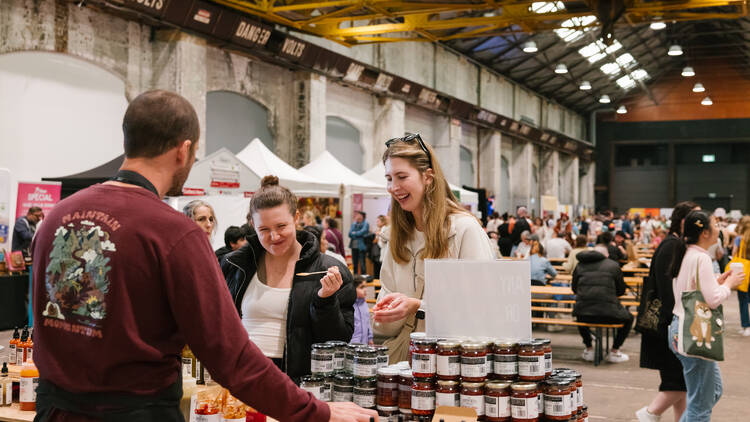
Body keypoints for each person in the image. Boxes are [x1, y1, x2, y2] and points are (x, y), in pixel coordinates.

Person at [30, 90, 375, 421]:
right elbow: (231, 357)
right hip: (134, 411)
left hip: (53, 408)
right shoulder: (174, 233)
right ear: (183, 151)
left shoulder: (55, 219)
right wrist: (316, 411)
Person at [370, 133, 494, 362]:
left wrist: (418, 306)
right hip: (403, 366)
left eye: (401, 177)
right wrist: (387, 314)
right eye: (389, 178)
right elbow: (384, 318)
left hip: (455, 364)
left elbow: (484, 305)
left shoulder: (464, 229)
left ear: (428, 177)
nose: (393, 187)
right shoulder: (394, 236)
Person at [223, 176, 356, 383]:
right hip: (241, 373)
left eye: (281, 226)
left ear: (296, 218)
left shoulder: (328, 269)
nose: (274, 237)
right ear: (252, 225)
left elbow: (338, 341)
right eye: (264, 230)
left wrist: (325, 301)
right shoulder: (235, 265)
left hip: (297, 382)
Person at [667, 210, 744, 421]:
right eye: (715, 224)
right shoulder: (701, 257)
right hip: (694, 333)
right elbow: (712, 300)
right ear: (705, 233)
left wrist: (718, 281)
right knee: (700, 406)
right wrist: (729, 284)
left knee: (711, 393)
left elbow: (692, 290)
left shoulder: (687, 253)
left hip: (681, 329)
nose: (719, 229)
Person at [636, 202, 699, 422]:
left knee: (678, 382)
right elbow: (667, 291)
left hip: (669, 324)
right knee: (678, 383)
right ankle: (649, 414)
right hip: (667, 326)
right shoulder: (671, 246)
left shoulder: (674, 244)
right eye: (694, 219)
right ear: (683, 222)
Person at [572, 246, 633, 363]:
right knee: (629, 318)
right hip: (609, 314)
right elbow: (620, 290)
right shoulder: (613, 265)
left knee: (579, 312)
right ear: (606, 255)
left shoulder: (580, 265)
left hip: (585, 314)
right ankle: (614, 351)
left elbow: (574, 289)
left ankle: (589, 349)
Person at [350, 276, 373, 345]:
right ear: (353, 289)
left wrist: (370, 338)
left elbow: (367, 322)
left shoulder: (364, 304)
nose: (365, 289)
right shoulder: (349, 305)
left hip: (364, 343)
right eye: (361, 287)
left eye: (365, 287)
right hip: (352, 344)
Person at [348, 211, 370, 275]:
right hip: (353, 246)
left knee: (362, 263)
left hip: (361, 246)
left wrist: (354, 233)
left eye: (359, 215)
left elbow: (363, 232)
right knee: (354, 263)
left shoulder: (366, 224)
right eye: (357, 215)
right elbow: (349, 234)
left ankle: (364, 277)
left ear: (362, 217)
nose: (357, 217)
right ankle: (355, 277)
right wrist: (358, 234)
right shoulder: (353, 223)